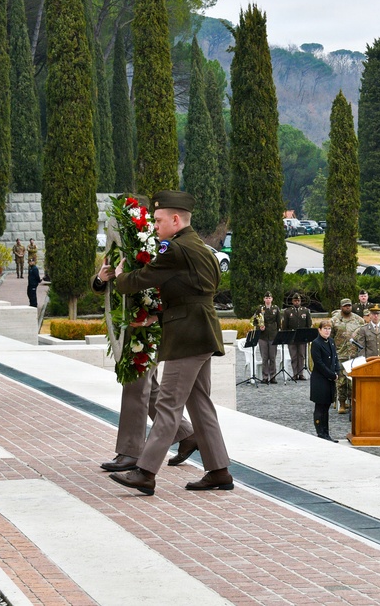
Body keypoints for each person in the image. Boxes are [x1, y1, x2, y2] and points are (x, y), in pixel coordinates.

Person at [107, 190, 233, 494]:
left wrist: (121, 276)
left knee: (168, 405)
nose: (154, 226)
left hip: (186, 336)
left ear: (176, 220)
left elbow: (143, 278)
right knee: (199, 402)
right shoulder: (202, 248)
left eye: (159, 220)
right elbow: (195, 292)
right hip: (203, 332)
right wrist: (159, 315)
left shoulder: (175, 249)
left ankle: (145, 472)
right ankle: (219, 470)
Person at [91, 262, 198, 474]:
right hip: (128, 329)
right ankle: (187, 434)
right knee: (149, 390)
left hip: (148, 328)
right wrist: (100, 279)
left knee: (136, 386)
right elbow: (106, 286)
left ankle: (131, 451)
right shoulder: (120, 248)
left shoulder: (160, 251)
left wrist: (156, 316)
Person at [310, 318, 341, 442]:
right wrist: (331, 375)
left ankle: (326, 432)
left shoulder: (331, 342)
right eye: (325, 329)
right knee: (320, 406)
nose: (327, 331)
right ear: (319, 330)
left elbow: (335, 358)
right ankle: (320, 432)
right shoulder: (316, 343)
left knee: (327, 407)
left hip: (330, 379)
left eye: (329, 329)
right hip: (320, 379)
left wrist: (337, 371)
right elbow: (319, 363)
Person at [330, 298, 364, 413]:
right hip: (340, 354)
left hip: (354, 355)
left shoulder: (359, 320)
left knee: (353, 381)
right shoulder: (334, 321)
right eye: (345, 306)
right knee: (341, 381)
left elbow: (362, 336)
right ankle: (342, 403)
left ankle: (353, 402)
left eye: (349, 305)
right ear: (341, 307)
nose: (347, 307)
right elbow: (330, 338)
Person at [281, 292, 312, 380]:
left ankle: (301, 373)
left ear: (300, 301)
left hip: (302, 337)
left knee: (301, 355)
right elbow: (285, 326)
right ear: (292, 301)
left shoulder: (305, 311)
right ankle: (295, 373)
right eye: (295, 301)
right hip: (292, 337)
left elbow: (308, 324)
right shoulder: (288, 311)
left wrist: (307, 336)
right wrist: (286, 336)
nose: (297, 302)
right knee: (294, 356)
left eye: (298, 300)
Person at [253, 292, 281, 383]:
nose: (268, 300)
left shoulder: (275, 309)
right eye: (266, 298)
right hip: (263, 336)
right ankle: (265, 377)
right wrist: (259, 327)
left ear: (272, 299)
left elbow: (279, 322)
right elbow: (255, 321)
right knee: (264, 357)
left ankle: (273, 376)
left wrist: (278, 333)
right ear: (264, 299)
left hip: (273, 335)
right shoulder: (260, 309)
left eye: (269, 298)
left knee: (272, 357)